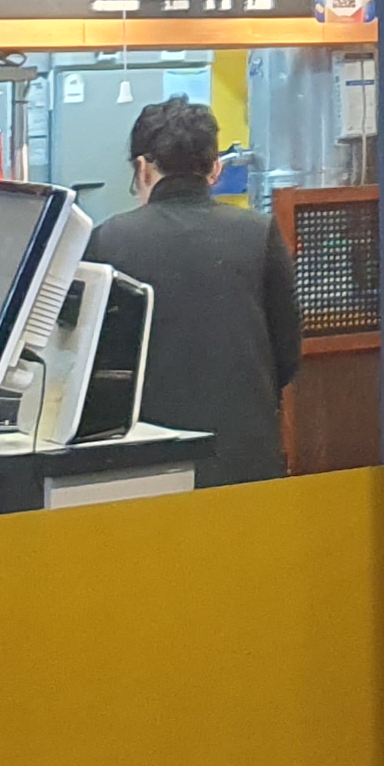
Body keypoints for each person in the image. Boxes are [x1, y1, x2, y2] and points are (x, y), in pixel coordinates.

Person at [86, 98, 302, 489]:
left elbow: (87, 366)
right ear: (215, 168)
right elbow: (286, 357)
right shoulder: (260, 233)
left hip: (143, 469)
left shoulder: (107, 240)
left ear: (142, 168)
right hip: (246, 464)